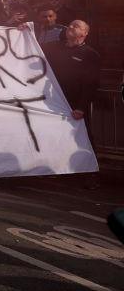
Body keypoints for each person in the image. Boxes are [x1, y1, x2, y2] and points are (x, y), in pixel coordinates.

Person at [42, 20, 101, 188]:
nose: (71, 27)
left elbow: (92, 83)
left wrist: (82, 107)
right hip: (55, 101)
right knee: (57, 135)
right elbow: (31, 46)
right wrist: (23, 30)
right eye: (70, 24)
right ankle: (60, 170)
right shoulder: (54, 47)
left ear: (84, 33)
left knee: (84, 137)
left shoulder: (90, 54)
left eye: (76, 26)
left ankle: (91, 174)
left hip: (76, 103)